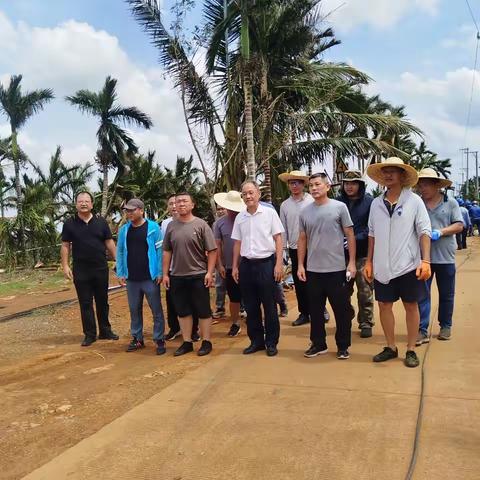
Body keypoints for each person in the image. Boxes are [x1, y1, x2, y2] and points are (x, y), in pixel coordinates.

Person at [364, 157, 431, 368]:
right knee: (384, 305)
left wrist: (426, 260)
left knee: (411, 305)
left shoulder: (414, 201)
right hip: (382, 266)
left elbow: (424, 231)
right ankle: (391, 347)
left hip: (408, 265)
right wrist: (369, 262)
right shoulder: (376, 203)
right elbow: (372, 234)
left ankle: (410, 349)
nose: (388, 175)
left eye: (393, 171)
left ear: (402, 176)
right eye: (385, 171)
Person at [297, 173, 356, 360]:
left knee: (342, 310)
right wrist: (300, 265)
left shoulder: (340, 208)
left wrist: (352, 262)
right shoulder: (305, 212)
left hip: (337, 270)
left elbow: (350, 234)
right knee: (315, 311)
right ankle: (318, 343)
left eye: (317, 184)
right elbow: (302, 239)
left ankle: (343, 345)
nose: (314, 188)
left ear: (327, 186)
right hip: (314, 270)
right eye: (311, 186)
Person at [232, 181, 284, 357]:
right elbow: (237, 243)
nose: (248, 196)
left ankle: (271, 342)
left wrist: (278, 264)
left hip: (266, 264)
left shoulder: (269, 213)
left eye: (251, 193)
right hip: (246, 265)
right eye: (245, 194)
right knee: (251, 306)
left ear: (258, 194)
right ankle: (256, 341)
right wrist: (235, 266)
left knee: (269, 305)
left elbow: (278, 239)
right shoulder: (240, 217)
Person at [60, 191, 119, 346]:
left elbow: (109, 243)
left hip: (100, 268)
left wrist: (118, 261)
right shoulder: (69, 223)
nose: (84, 203)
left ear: (92, 204)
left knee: (102, 301)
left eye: (87, 201)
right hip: (80, 270)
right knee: (85, 303)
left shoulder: (101, 222)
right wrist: (65, 265)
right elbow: (65, 245)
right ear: (76, 204)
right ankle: (90, 334)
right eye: (80, 201)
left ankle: (105, 331)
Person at [162, 192, 217, 357]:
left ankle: (206, 341)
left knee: (203, 310)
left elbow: (212, 250)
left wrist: (209, 272)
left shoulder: (201, 225)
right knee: (183, 311)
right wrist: (165, 274)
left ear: (192, 205)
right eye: (178, 202)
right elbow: (167, 251)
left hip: (198, 274)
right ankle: (187, 342)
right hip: (177, 276)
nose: (181, 204)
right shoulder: (171, 226)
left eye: (185, 201)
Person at [415, 169, 463, 345]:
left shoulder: (451, 203)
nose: (423, 187)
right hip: (423, 258)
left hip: (445, 257)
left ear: (436, 185)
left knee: (447, 294)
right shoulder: (417, 203)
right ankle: (421, 329)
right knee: (422, 294)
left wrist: (441, 232)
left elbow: (459, 225)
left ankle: (445, 325)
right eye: (420, 184)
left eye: (426, 184)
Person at [116, 199, 166, 355]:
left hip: (149, 277)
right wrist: (121, 272)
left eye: (132, 210)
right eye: (127, 211)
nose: (129, 213)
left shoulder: (153, 228)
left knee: (156, 309)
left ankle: (159, 339)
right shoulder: (124, 230)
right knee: (134, 309)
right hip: (132, 278)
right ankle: (137, 338)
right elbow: (120, 252)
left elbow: (160, 251)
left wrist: (159, 272)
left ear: (141, 211)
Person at [337, 170, 375, 338]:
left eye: (353, 183)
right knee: (342, 290)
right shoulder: (337, 203)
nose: (349, 186)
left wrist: (353, 238)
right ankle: (347, 314)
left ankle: (366, 321)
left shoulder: (370, 203)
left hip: (362, 253)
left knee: (364, 288)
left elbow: (372, 227)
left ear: (360, 184)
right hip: (341, 255)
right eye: (346, 183)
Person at [161, 194, 199, 341]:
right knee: (171, 301)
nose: (174, 206)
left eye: (176, 203)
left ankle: (193, 330)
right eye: (171, 204)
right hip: (171, 269)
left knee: (192, 300)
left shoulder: (194, 222)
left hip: (190, 269)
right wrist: (163, 271)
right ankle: (174, 328)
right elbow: (165, 249)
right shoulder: (165, 224)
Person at [213, 191, 245, 337]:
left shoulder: (246, 218)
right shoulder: (219, 223)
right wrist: (219, 265)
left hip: (248, 264)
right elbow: (217, 246)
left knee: (254, 295)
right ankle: (235, 323)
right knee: (234, 297)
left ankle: (257, 321)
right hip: (230, 267)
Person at [212, 205, 227, 320]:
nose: (221, 211)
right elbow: (215, 245)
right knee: (220, 285)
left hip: (234, 260)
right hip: (220, 260)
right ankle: (220, 308)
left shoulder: (236, 220)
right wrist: (218, 263)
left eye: (223, 209)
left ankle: (242, 307)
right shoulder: (216, 224)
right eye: (219, 209)